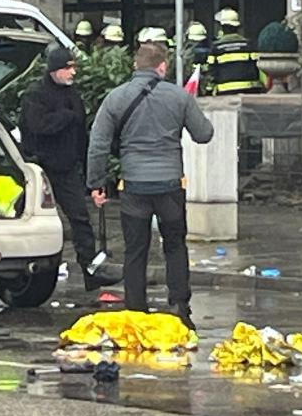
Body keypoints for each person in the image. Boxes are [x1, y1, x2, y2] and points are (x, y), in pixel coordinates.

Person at [87, 43, 214, 331]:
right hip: (170, 185)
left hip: (134, 187)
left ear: (135, 67)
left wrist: (96, 184)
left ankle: (136, 310)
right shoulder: (179, 96)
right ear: (162, 67)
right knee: (174, 246)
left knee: (135, 250)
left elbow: (98, 145)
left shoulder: (116, 98)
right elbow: (204, 134)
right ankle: (179, 306)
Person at [20, 46, 123, 291]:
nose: (72, 72)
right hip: (41, 168)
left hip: (67, 168)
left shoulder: (72, 94)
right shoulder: (36, 95)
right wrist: (65, 117)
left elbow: (80, 134)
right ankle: (27, 268)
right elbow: (38, 126)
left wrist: (91, 174)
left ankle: (90, 269)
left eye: (73, 67)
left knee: (80, 218)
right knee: (34, 219)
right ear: (55, 70)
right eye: (68, 68)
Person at [202, 9, 265, 96]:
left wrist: (208, 91)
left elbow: (211, 73)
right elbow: (259, 67)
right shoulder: (248, 45)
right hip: (249, 91)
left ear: (223, 27)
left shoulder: (216, 48)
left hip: (225, 92)